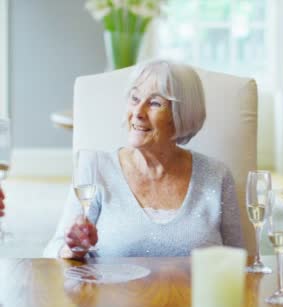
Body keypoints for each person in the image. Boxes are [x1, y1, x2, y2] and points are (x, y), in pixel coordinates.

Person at [43, 60, 243, 258]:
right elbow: (54, 249)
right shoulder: (95, 167)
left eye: (155, 103)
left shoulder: (216, 175)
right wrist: (73, 248)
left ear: (181, 115)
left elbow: (241, 260)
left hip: (197, 291)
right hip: (110, 290)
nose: (138, 113)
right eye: (135, 98)